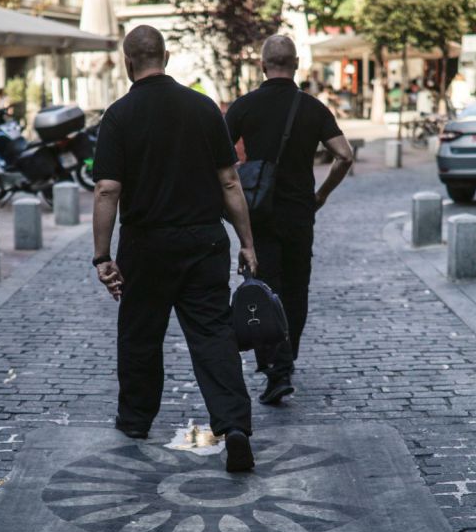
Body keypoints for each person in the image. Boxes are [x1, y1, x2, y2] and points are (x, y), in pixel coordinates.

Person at [91, 25, 258, 473]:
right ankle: (234, 424)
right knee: (213, 334)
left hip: (146, 243)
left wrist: (102, 256)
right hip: (204, 239)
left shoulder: (119, 115)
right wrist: (247, 242)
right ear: (166, 57)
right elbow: (229, 182)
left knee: (140, 334)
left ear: (128, 62)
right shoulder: (204, 108)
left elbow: (107, 190)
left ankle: (135, 420)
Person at [225, 35, 354, 406]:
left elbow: (217, 158)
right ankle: (287, 357)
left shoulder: (244, 106)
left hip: (259, 212)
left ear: (262, 65)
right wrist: (321, 195)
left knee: (265, 287)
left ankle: (277, 368)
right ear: (296, 64)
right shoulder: (312, 108)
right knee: (296, 289)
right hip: (299, 213)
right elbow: (344, 155)